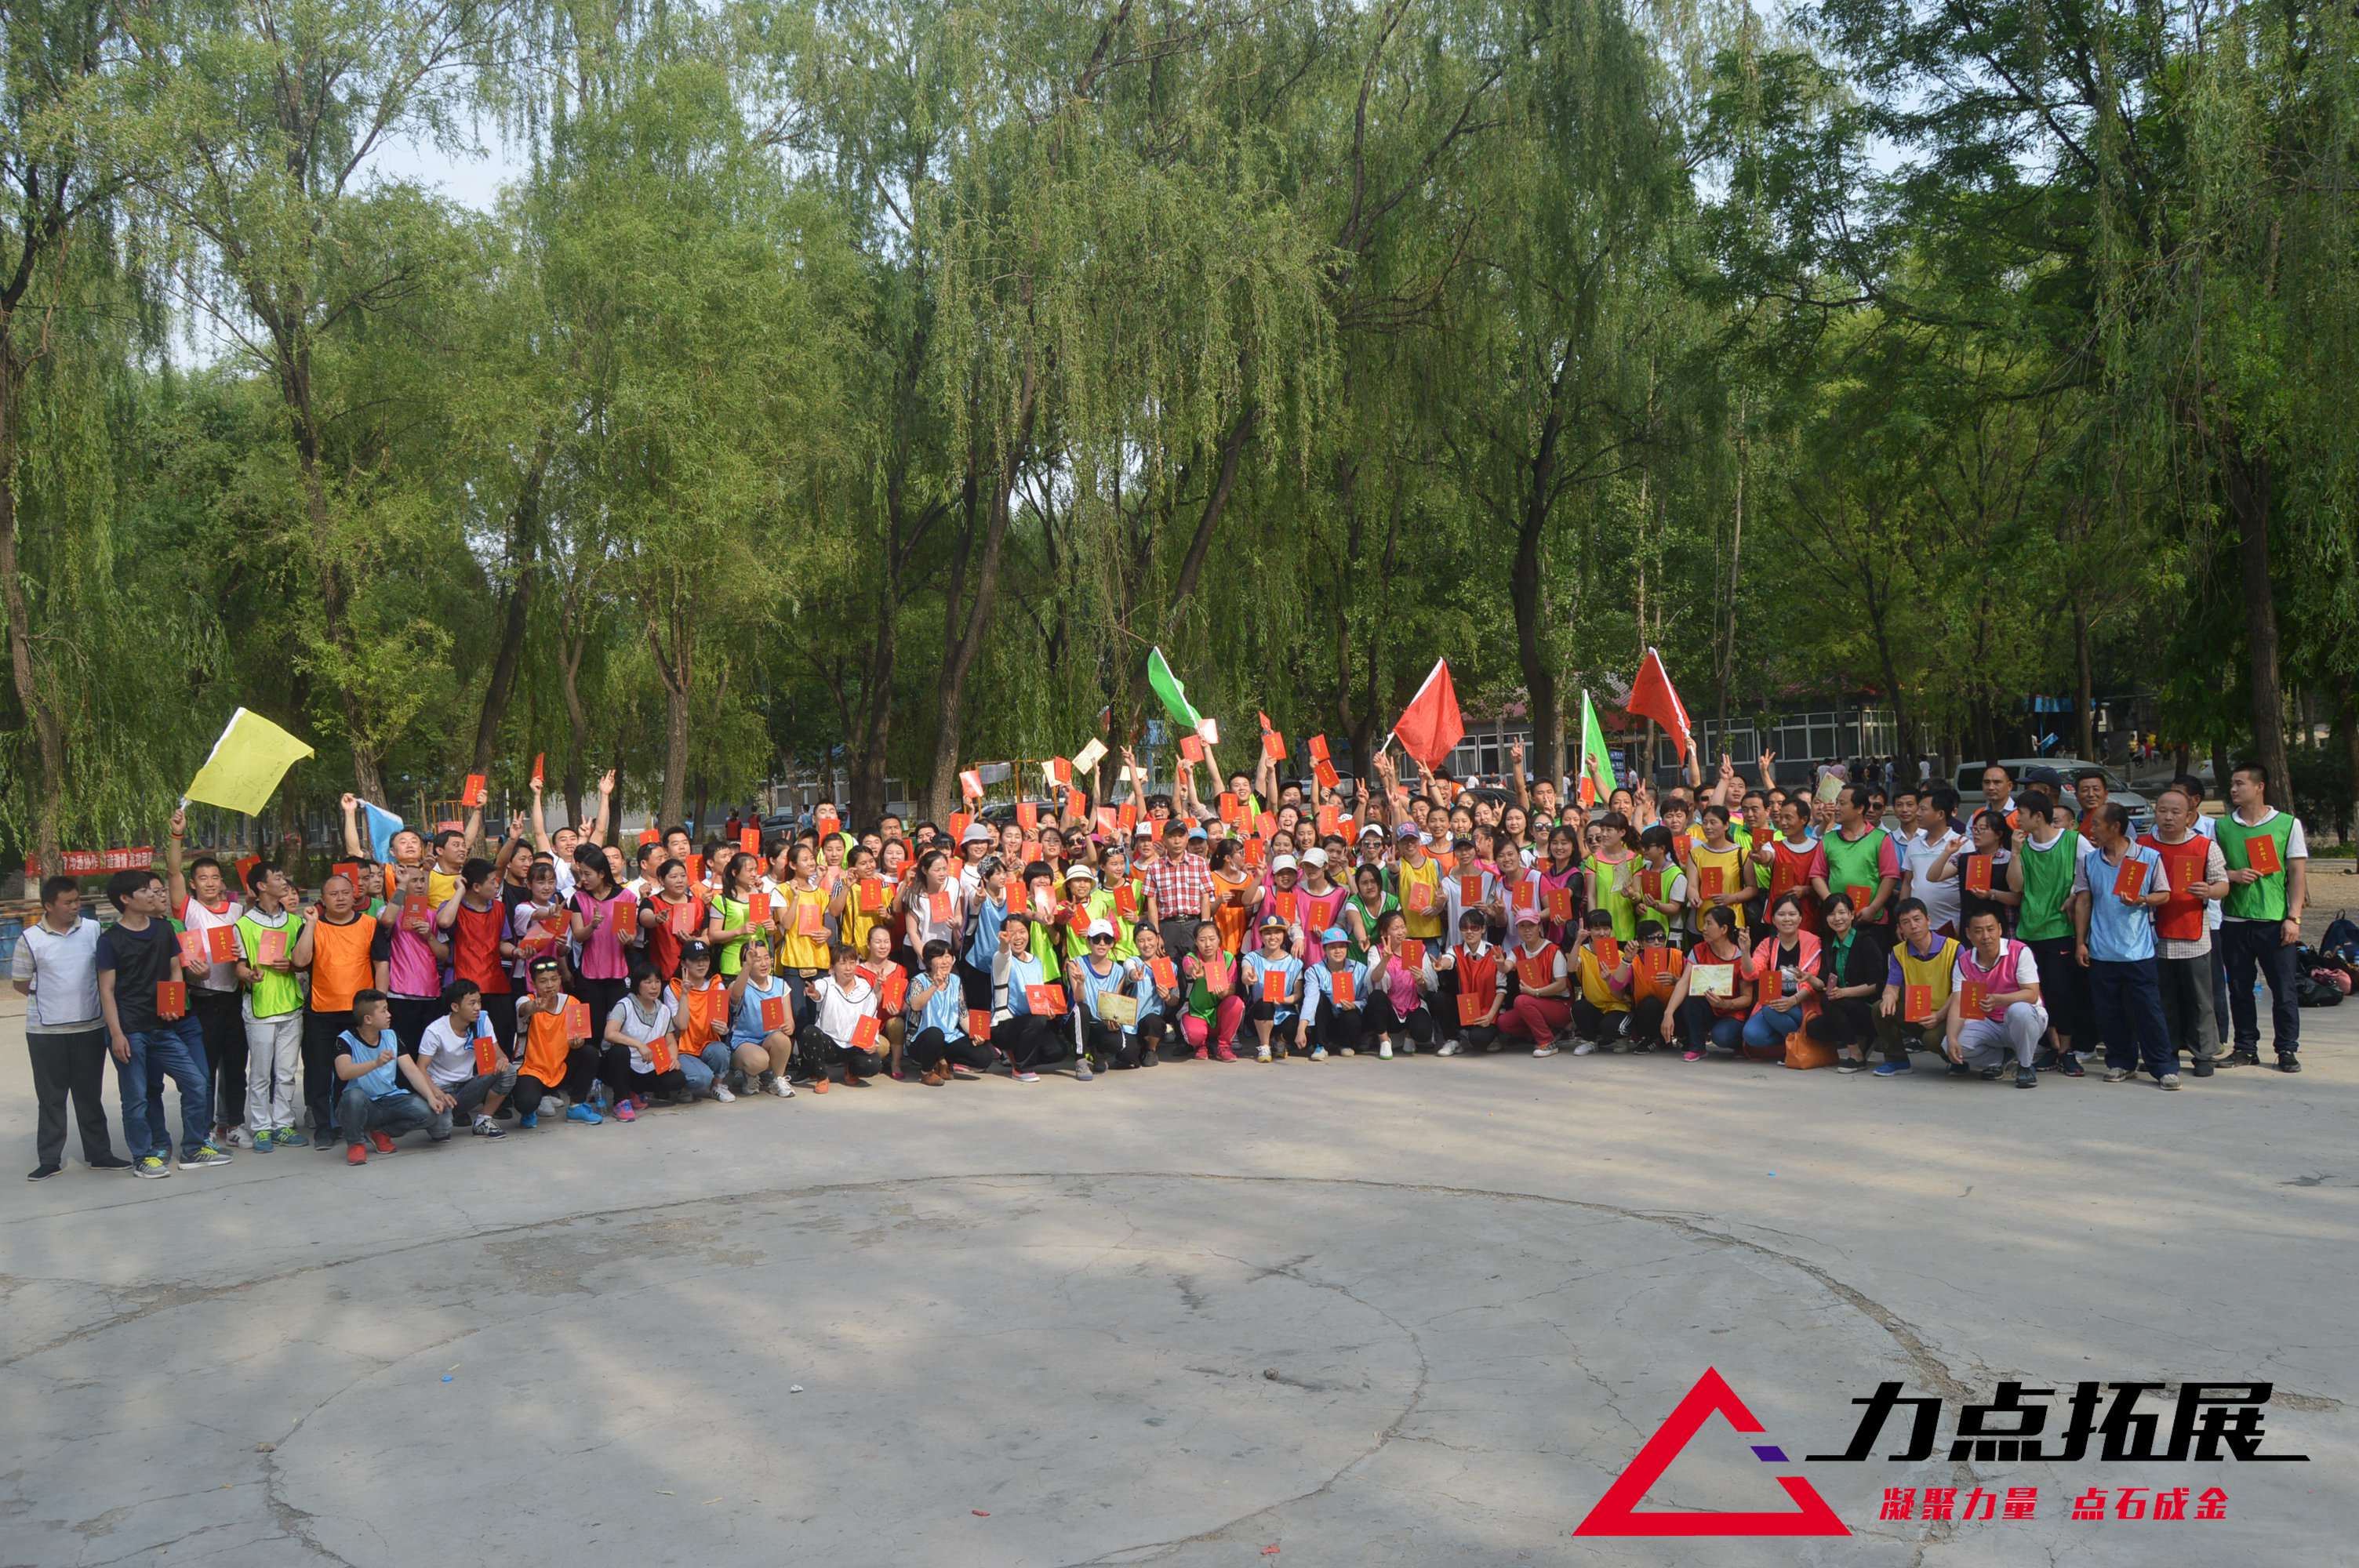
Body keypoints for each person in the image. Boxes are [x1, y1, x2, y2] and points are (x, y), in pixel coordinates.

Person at [96, 868, 226, 1178]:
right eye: (145, 891)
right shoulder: (110, 940)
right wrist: (116, 1034)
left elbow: (175, 970)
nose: (153, 895)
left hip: (163, 1028)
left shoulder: (164, 929)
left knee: (196, 1083)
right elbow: (106, 990)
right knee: (137, 1096)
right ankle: (143, 1156)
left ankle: (193, 1147)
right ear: (126, 899)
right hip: (130, 1030)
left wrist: (172, 1005)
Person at [14, 875, 128, 1179]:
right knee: (51, 1097)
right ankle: (50, 1159)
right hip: (45, 1032)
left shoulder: (92, 930)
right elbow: (21, 983)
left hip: (89, 1027)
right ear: (49, 906)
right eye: (67, 903)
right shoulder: (30, 938)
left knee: (89, 1095)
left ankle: (99, 1154)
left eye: (77, 900)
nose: (74, 906)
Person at [2074, 803, 2177, 1087]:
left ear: (2115, 827)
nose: (2092, 829)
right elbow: (2084, 901)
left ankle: (2163, 1067)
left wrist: (2142, 900)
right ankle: (2120, 1062)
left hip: (2138, 950)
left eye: (2097, 824)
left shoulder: (2148, 857)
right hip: (2102, 950)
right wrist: (2081, 942)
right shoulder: (2089, 861)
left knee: (2149, 1011)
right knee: (2109, 1012)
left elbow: (2164, 894)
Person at [2215, 760, 2307, 1072]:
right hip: (2235, 920)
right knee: (2239, 988)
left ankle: (2287, 1049)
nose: (2233, 789)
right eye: (2232, 784)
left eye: (2240, 783)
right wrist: (2233, 875)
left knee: (2284, 989)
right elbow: (2213, 870)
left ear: (2260, 787)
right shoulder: (2222, 827)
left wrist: (2293, 917)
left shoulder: (2287, 824)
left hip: (2274, 920)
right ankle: (2245, 1047)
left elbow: (2297, 873)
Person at [164, 807, 245, 1150]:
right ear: (194, 884)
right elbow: (172, 870)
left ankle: (235, 1123)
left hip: (234, 997)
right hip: (202, 999)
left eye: (215, 877)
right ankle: (207, 1127)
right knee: (205, 1067)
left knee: (236, 1066)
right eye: (203, 878)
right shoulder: (188, 908)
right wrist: (177, 835)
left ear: (222, 882)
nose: (210, 883)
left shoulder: (238, 910)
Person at [2139, 783, 2228, 1078]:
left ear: (2189, 815)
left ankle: (2204, 1053)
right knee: (2162, 998)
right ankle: (2165, 1052)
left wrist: (2210, 890)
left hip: (2193, 934)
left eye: (2176, 812)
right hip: (2151, 935)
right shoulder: (2142, 845)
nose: (2168, 817)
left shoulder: (2204, 846)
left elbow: (2223, 884)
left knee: (2200, 998)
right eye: (2162, 810)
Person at [292, 869, 378, 1150]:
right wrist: (311, 925)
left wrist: (380, 1004)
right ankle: (323, 1126)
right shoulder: (313, 926)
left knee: (355, 1072)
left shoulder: (369, 924)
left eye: (345, 893)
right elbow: (300, 961)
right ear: (323, 899)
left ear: (354, 895)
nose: (340, 898)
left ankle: (349, 1122)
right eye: (333, 894)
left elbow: (381, 965)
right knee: (319, 1071)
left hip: (358, 1014)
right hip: (322, 1011)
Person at [2007, 788, 2088, 1078]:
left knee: (2062, 992)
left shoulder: (2074, 841)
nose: (2017, 819)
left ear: (2038, 816)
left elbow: (2092, 876)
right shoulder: (2022, 846)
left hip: (2060, 930)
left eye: (2021, 814)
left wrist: (2074, 894)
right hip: (2029, 932)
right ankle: (2053, 1048)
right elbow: (2015, 886)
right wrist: (2015, 853)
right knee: (2040, 994)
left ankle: (2067, 1050)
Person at [234, 865, 310, 1149]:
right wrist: (249, 975)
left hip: (291, 1004)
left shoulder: (295, 922)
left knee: (287, 1071)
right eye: (277, 878)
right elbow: (238, 967)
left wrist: (291, 965)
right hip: (260, 1007)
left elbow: (302, 961)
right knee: (261, 1073)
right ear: (261, 886)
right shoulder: (244, 925)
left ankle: (283, 1124)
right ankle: (261, 1127)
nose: (283, 882)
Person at [333, 989, 437, 1164]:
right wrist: (376, 1063)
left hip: (390, 1100)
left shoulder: (391, 1035)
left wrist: (430, 1096)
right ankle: (356, 1144)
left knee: (427, 1114)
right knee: (353, 1096)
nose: (389, 1015)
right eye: (383, 1011)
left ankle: (382, 1133)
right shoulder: (345, 1039)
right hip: (362, 1105)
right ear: (368, 1019)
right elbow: (344, 1072)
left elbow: (411, 1071)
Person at [1946, 909, 2047, 1088]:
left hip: (2024, 1019)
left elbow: (2031, 994)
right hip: (1989, 1022)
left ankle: (2025, 1066)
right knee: (1951, 1044)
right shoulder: (1964, 961)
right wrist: (1952, 1038)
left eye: (1990, 929)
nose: (1986, 936)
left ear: (2000, 929)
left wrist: (1999, 999)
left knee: (2019, 1010)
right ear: (1968, 934)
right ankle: (2001, 1058)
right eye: (1978, 931)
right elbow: (1959, 1001)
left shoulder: (2019, 951)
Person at [412, 978, 514, 1139]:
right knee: (441, 1132)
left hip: (468, 1086)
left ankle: (484, 1121)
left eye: (479, 1002)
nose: (478, 1008)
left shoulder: (482, 1020)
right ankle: (444, 1115)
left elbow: (497, 1053)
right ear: (455, 1007)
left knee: (508, 1071)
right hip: (441, 1090)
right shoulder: (435, 1031)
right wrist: (437, 1094)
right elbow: (420, 1069)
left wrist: (502, 1060)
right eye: (472, 1003)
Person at [1873, 898, 1959, 1078]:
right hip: (1919, 1012)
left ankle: (1958, 1061)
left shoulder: (1954, 948)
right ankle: (1897, 1061)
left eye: (1917, 919)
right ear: (1900, 928)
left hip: (1949, 1014)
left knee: (1932, 1040)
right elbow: (1893, 985)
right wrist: (1888, 996)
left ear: (1928, 920)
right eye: (1906, 922)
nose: (1913, 926)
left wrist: (1939, 1015)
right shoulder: (1898, 952)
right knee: (1880, 1008)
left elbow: (1961, 991)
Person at [1803, 889, 1888, 1072]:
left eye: (1842, 913)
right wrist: (1810, 978)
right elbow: (1824, 983)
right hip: (1842, 1006)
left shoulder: (1866, 941)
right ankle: (1860, 1039)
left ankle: (1856, 1054)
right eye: (1831, 914)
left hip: (1869, 1008)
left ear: (1852, 914)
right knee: (1814, 1028)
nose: (1837, 918)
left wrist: (1844, 992)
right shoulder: (1829, 943)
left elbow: (1877, 984)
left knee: (1830, 1002)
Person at [514, 956, 602, 1125]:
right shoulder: (526, 1000)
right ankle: (531, 1109)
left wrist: (578, 1043)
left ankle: (576, 1107)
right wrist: (535, 1007)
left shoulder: (572, 1002)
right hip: (532, 1069)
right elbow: (524, 1009)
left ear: (560, 980)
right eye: (543, 981)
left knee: (589, 1053)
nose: (550, 985)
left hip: (561, 1067)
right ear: (533, 984)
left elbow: (580, 1038)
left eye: (554, 979)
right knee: (526, 1103)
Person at [1662, 905, 1755, 1060]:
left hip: (1732, 1013)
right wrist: (1668, 1013)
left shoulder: (1741, 957)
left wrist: (1725, 1004)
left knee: (1722, 1037)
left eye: (1709, 923)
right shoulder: (1698, 950)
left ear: (1724, 929)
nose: (1703, 928)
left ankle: (1742, 1043)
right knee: (1689, 998)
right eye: (1704, 923)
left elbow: (1747, 998)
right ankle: (1697, 1047)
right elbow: (1684, 983)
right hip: (1708, 1009)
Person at [1740, 892, 1821, 1062]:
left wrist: (1792, 1000)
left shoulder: (1813, 942)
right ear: (1773, 919)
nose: (1787, 919)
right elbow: (1752, 973)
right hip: (1774, 1004)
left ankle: (1796, 1046)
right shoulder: (1768, 943)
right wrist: (1746, 951)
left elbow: (1812, 981)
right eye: (1781, 914)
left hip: (1801, 1004)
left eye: (1792, 914)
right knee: (1751, 1035)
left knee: (1770, 1008)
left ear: (1800, 918)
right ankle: (1793, 1043)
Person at [602, 964, 689, 1118]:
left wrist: (673, 1059)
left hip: (646, 1064)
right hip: (619, 1065)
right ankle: (620, 1101)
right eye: (648, 982)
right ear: (637, 984)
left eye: (657, 981)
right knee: (620, 1051)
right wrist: (639, 1045)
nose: (654, 987)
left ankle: (635, 1092)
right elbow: (610, 1033)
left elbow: (670, 1042)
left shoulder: (664, 1010)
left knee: (677, 1078)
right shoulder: (624, 1005)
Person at [904, 940, 994, 1085]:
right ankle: (927, 1072)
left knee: (984, 1056)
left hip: (949, 1037)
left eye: (948, 956)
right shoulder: (918, 981)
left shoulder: (956, 981)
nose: (945, 961)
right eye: (940, 957)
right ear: (929, 961)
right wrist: (934, 986)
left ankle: (943, 1061)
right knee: (935, 1034)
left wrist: (976, 1033)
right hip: (922, 1039)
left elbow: (963, 1014)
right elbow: (916, 1005)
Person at [991, 911, 1068, 1082]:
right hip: (1004, 1025)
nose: (1018, 937)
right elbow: (1003, 954)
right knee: (1037, 1020)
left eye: (1022, 931)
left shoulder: (1036, 961)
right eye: (1012, 933)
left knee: (1058, 1051)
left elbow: (1039, 996)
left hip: (1029, 1023)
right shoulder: (1001, 959)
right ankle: (1021, 1068)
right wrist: (1004, 944)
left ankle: (1017, 1055)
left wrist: (1048, 1010)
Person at [1067, 919, 1148, 1071]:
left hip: (1101, 1023)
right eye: (1097, 939)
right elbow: (1079, 1000)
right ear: (1088, 942)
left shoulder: (1119, 971)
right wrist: (1081, 983)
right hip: (1079, 1022)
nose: (1102, 944)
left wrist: (1113, 1020)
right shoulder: (1075, 964)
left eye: (1107, 940)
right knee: (1082, 1009)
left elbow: (1113, 1003)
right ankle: (1080, 1059)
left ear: (1112, 944)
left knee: (1126, 1050)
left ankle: (1099, 1053)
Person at [1817, 785, 1901, 930]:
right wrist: (1831, 903)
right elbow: (1817, 875)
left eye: (1842, 803)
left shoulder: (1880, 838)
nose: (1836, 808)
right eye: (1836, 803)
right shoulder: (1828, 839)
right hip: (1836, 921)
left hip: (1871, 920)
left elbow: (1890, 877)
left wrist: (1873, 908)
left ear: (1860, 808)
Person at [725, 940, 798, 1098]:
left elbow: (790, 1021)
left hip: (769, 1040)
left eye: (766, 958)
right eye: (757, 960)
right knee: (759, 1061)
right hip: (744, 1042)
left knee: (782, 1039)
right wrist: (747, 966)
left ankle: (777, 1080)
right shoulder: (739, 985)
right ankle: (750, 1074)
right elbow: (735, 995)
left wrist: (788, 1026)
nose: (764, 964)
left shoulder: (780, 984)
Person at [667, 941, 737, 1100]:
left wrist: (723, 1029)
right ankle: (685, 1087)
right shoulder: (673, 988)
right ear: (684, 963)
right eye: (695, 960)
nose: (701, 964)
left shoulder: (716, 985)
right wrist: (685, 994)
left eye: (705, 959)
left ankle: (717, 1086)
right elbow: (681, 1025)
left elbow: (723, 1027)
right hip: (683, 1049)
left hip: (707, 1045)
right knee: (701, 1078)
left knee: (721, 1051)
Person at [1362, 909, 1437, 1058]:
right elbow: (1374, 979)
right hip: (1390, 1009)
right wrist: (1385, 960)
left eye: (1403, 927)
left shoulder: (1415, 948)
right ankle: (1385, 1041)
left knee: (1423, 1033)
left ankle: (1409, 1035)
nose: (1401, 932)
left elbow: (1428, 988)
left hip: (1412, 1006)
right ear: (1384, 932)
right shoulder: (1376, 950)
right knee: (1376, 997)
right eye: (1396, 928)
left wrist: (1421, 980)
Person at [1498, 910, 1572, 1058]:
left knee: (1521, 1001)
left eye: (1531, 925)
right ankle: (1551, 1032)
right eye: (1522, 926)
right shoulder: (1518, 951)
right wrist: (1500, 963)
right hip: (1535, 1004)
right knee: (1504, 1022)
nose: (1527, 930)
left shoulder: (1553, 950)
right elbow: (1507, 967)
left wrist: (1535, 992)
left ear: (1539, 927)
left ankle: (1547, 1042)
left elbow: (1561, 985)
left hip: (1559, 1004)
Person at [1433, 909, 1503, 1055]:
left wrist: (1491, 1015)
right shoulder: (1456, 950)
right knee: (1440, 997)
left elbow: (1502, 989)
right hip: (1464, 1008)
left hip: (1487, 1011)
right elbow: (1448, 960)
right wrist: (1441, 964)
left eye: (1474, 928)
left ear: (1483, 929)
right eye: (1464, 928)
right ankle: (1453, 1040)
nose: (1469, 932)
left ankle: (1493, 1036)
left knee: (1479, 1040)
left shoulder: (1495, 953)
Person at [1899, 786, 1965, 938]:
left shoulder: (1961, 844)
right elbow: (1908, 883)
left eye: (1923, 809)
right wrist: (1902, 920)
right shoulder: (1913, 844)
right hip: (1916, 928)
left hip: (1950, 926)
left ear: (1940, 814)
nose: (1917, 813)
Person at [1565, 909, 1630, 1052]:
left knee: (1611, 1026)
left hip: (1617, 1007)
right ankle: (1591, 1041)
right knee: (1579, 1008)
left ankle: (1621, 1037)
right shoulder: (1582, 951)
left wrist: (1609, 979)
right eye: (1597, 928)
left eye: (1606, 928)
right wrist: (1578, 941)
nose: (1602, 933)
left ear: (1611, 930)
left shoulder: (1620, 956)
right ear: (1589, 930)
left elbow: (1621, 994)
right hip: (1594, 1006)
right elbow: (1571, 968)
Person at [1241, 915, 1303, 1063]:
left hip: (1284, 1010)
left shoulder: (1294, 962)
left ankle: (1279, 1039)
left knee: (1292, 1027)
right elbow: (1245, 974)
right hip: (1260, 1012)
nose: (1273, 937)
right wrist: (1248, 978)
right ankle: (1265, 1046)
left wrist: (1283, 1000)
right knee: (1265, 1004)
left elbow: (1298, 994)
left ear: (1284, 935)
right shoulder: (1252, 957)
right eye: (1268, 933)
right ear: (1261, 936)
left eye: (1277, 932)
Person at [1180, 919, 1244, 1062]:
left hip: (1219, 1014)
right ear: (1196, 942)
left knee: (1236, 1003)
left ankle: (1224, 1046)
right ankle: (1201, 1046)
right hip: (1198, 1013)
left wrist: (1224, 993)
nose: (1207, 944)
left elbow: (1232, 988)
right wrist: (1194, 970)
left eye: (1212, 939)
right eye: (1202, 940)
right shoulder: (1191, 958)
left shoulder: (1228, 958)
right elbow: (1189, 967)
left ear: (1219, 940)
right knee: (1194, 1035)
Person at [1301, 927, 1367, 1062]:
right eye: (1332, 947)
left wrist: (1355, 1005)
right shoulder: (1314, 971)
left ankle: (1346, 1044)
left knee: (1352, 1015)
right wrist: (1301, 1029)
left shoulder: (1360, 969)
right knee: (1319, 998)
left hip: (1347, 1020)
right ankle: (1320, 1045)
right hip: (1325, 1021)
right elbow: (1310, 1000)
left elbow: (1365, 999)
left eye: (1342, 946)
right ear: (1324, 949)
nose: (1338, 951)